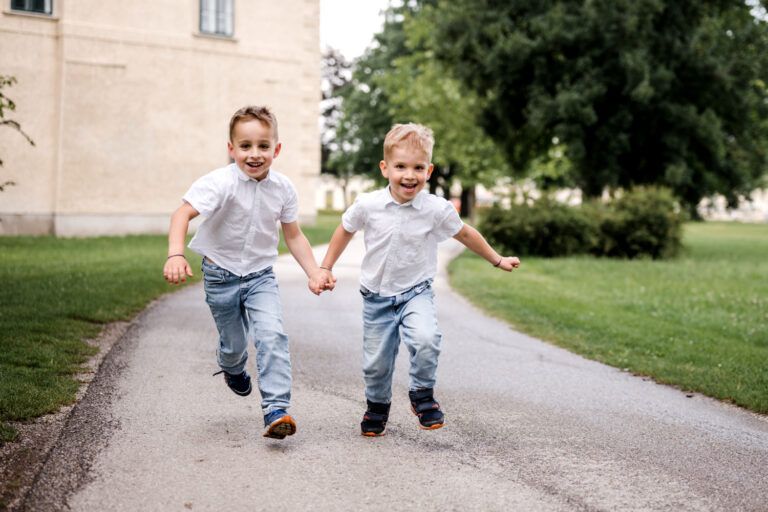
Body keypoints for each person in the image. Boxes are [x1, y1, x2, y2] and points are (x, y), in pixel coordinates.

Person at [316, 123, 520, 436]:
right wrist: (326, 266)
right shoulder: (368, 204)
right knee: (376, 364)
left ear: (429, 170)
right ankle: (377, 408)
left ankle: (422, 394)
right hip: (376, 297)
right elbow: (345, 229)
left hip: (416, 293)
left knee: (427, 339)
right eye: (400, 167)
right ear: (385, 168)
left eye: (418, 167)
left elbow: (465, 233)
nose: (409, 175)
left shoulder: (436, 209)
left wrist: (497, 259)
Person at [163, 105, 331, 440]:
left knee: (272, 336)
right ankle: (231, 366)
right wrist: (175, 254)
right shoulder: (219, 183)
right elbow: (182, 214)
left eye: (263, 146)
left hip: (260, 277)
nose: (254, 154)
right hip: (219, 275)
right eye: (245, 146)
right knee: (235, 346)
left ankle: (276, 409)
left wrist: (314, 271)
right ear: (231, 149)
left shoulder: (283, 189)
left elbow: (293, 235)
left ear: (276, 149)